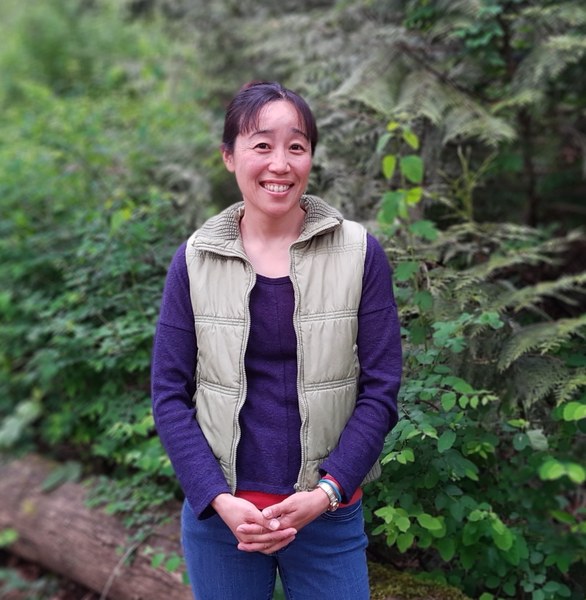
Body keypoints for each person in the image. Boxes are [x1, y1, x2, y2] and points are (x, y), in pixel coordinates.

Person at [151, 81, 402, 600]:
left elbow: (381, 388)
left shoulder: (359, 252)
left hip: (327, 513)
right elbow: (168, 395)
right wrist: (216, 498)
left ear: (311, 156)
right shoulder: (195, 259)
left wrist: (328, 491)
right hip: (223, 518)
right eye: (262, 145)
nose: (280, 164)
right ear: (229, 156)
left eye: (297, 146)